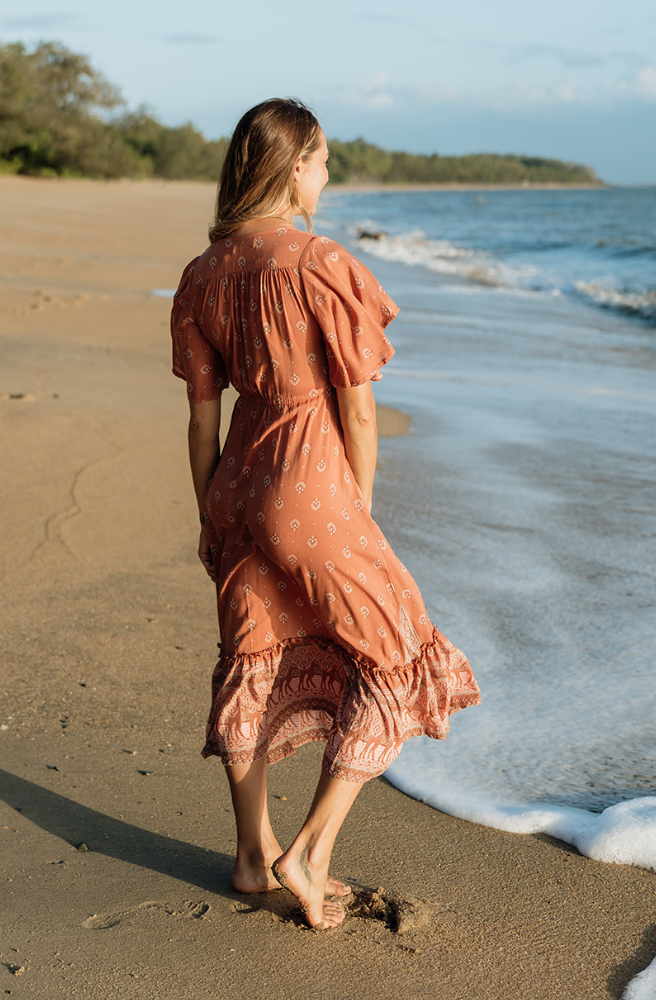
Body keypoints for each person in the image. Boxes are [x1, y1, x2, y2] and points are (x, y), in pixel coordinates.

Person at [171, 98, 480, 930]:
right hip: (309, 491)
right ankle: (307, 850)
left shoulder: (203, 274)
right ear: (292, 164)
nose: (328, 173)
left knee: (250, 660)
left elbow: (202, 421)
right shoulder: (318, 265)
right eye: (323, 160)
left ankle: (248, 856)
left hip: (234, 488)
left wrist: (211, 515)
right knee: (398, 655)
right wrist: (361, 510)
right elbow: (360, 411)